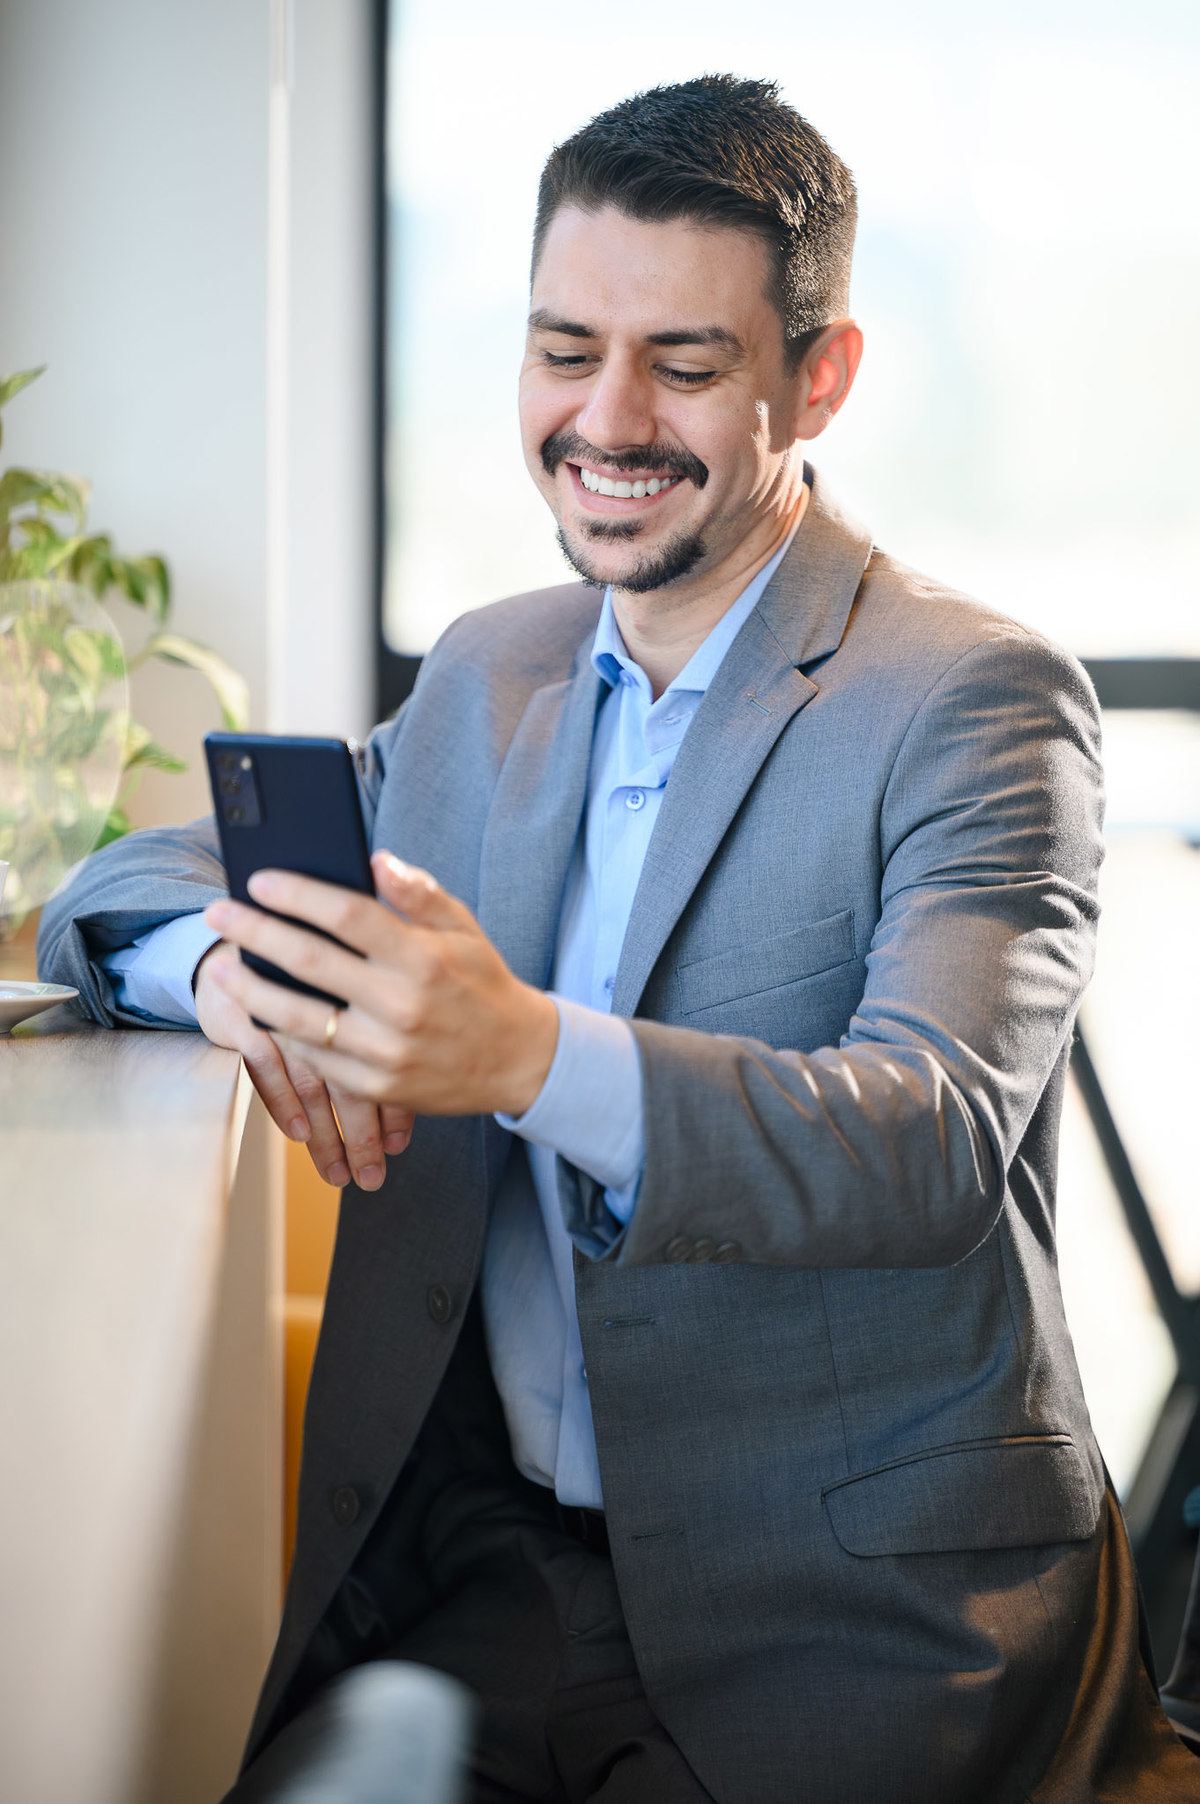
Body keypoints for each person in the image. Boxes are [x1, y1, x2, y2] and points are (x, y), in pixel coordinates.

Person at [39, 75, 1195, 1804]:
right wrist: (225, 967)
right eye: (563, 347)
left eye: (687, 363)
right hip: (479, 1575)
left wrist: (518, 1051)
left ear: (821, 377)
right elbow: (110, 888)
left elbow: (933, 1136)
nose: (607, 417)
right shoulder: (490, 670)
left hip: (843, 1620)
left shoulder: (972, 698)